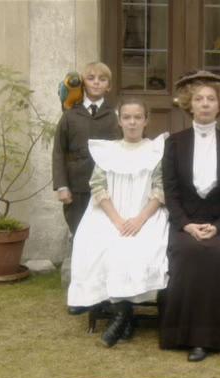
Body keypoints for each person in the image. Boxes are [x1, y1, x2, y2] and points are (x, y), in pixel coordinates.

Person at [159, 70, 220, 362]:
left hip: (219, 224)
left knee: (214, 255)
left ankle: (212, 336)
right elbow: (171, 193)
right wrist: (187, 225)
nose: (204, 104)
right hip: (183, 223)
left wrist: (218, 227)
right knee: (188, 252)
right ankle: (183, 334)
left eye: (210, 99)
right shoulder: (174, 143)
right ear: (190, 104)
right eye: (199, 99)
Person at [67, 98, 169, 347]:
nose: (132, 122)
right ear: (119, 120)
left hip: (145, 214)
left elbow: (160, 189)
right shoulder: (108, 151)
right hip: (110, 213)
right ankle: (124, 315)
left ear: (146, 120)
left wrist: (139, 219)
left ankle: (123, 316)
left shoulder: (156, 149)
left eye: (137, 117)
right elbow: (98, 186)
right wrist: (116, 220)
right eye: (127, 117)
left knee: (136, 249)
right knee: (99, 244)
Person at [52, 61, 120, 237]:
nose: (96, 82)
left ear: (109, 86)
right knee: (79, 231)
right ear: (83, 83)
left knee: (105, 233)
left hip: (108, 187)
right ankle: (78, 264)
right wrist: (61, 186)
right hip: (77, 186)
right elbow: (59, 151)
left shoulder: (116, 116)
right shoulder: (70, 116)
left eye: (102, 79)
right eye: (91, 78)